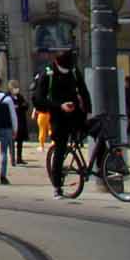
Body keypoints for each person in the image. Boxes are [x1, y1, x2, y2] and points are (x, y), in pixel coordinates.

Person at [37, 49, 91, 198]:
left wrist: (89, 110)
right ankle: (57, 186)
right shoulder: (48, 73)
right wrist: (59, 106)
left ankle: (104, 165)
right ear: (57, 63)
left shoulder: (73, 70)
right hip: (58, 117)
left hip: (75, 114)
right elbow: (39, 99)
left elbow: (83, 90)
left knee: (98, 129)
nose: (67, 71)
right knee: (60, 149)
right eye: (64, 68)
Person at [10, 85, 31, 166]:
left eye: (17, 88)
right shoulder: (9, 97)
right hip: (12, 121)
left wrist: (22, 106)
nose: (16, 90)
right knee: (12, 141)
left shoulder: (20, 96)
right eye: (15, 88)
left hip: (21, 121)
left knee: (20, 142)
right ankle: (12, 158)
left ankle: (19, 158)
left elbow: (26, 105)